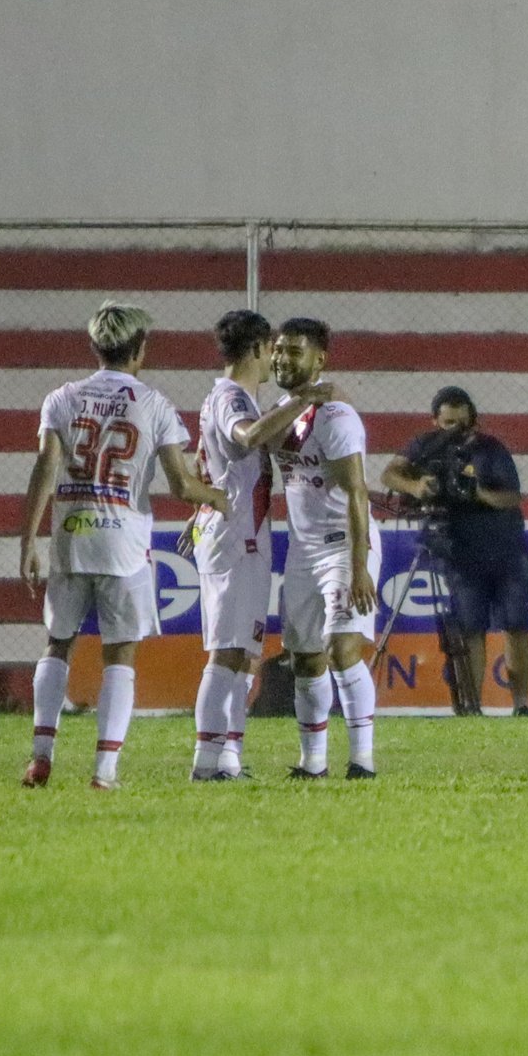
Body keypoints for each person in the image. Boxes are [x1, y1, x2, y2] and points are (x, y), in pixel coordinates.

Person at [18, 302, 227, 791]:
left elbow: (44, 471)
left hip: (70, 538)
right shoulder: (153, 404)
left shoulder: (62, 399)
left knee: (57, 644)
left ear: (95, 347)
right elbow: (181, 484)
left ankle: (41, 758)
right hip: (124, 543)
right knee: (120, 655)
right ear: (140, 350)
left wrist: (28, 539)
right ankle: (104, 771)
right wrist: (218, 497)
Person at [184, 310, 338, 780]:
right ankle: (206, 763)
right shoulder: (232, 397)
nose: (275, 357)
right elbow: (247, 437)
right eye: (271, 348)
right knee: (228, 652)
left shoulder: (224, 396)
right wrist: (303, 398)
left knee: (242, 652)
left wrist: (199, 511)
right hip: (237, 537)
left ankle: (227, 758)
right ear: (255, 350)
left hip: (231, 531)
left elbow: (202, 464)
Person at [268, 317, 380, 778]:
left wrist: (359, 567)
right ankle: (312, 764)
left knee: (342, 649)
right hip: (302, 549)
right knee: (305, 657)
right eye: (277, 350)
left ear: (320, 360)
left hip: (343, 545)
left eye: (294, 351)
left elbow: (357, 492)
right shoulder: (281, 411)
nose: (281, 358)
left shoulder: (336, 417)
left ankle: (362, 761)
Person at [380, 386, 528, 717]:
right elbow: (389, 474)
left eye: (462, 424)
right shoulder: (423, 446)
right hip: (459, 551)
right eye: (448, 423)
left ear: (473, 420)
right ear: (435, 420)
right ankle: (472, 707)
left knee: (515, 626)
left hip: (505, 549)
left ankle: (521, 704)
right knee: (470, 630)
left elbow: (511, 497)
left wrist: (478, 493)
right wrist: (416, 487)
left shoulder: (491, 449)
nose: (455, 430)